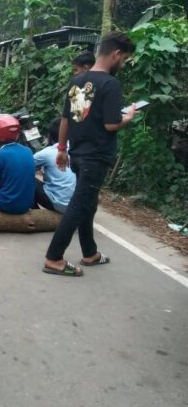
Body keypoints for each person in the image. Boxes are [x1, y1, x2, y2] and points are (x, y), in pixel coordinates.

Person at [44, 31, 138, 277]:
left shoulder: (77, 81)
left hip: (77, 153)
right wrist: (127, 117)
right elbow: (111, 124)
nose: (123, 64)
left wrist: (62, 149)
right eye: (124, 59)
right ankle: (54, 258)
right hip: (95, 156)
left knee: (88, 203)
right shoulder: (110, 84)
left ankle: (90, 253)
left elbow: (66, 119)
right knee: (80, 204)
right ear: (116, 54)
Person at [34, 118, 76, 213]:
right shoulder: (80, 148)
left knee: (28, 180)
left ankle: (34, 211)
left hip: (60, 204)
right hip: (79, 205)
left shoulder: (48, 152)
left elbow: (24, 166)